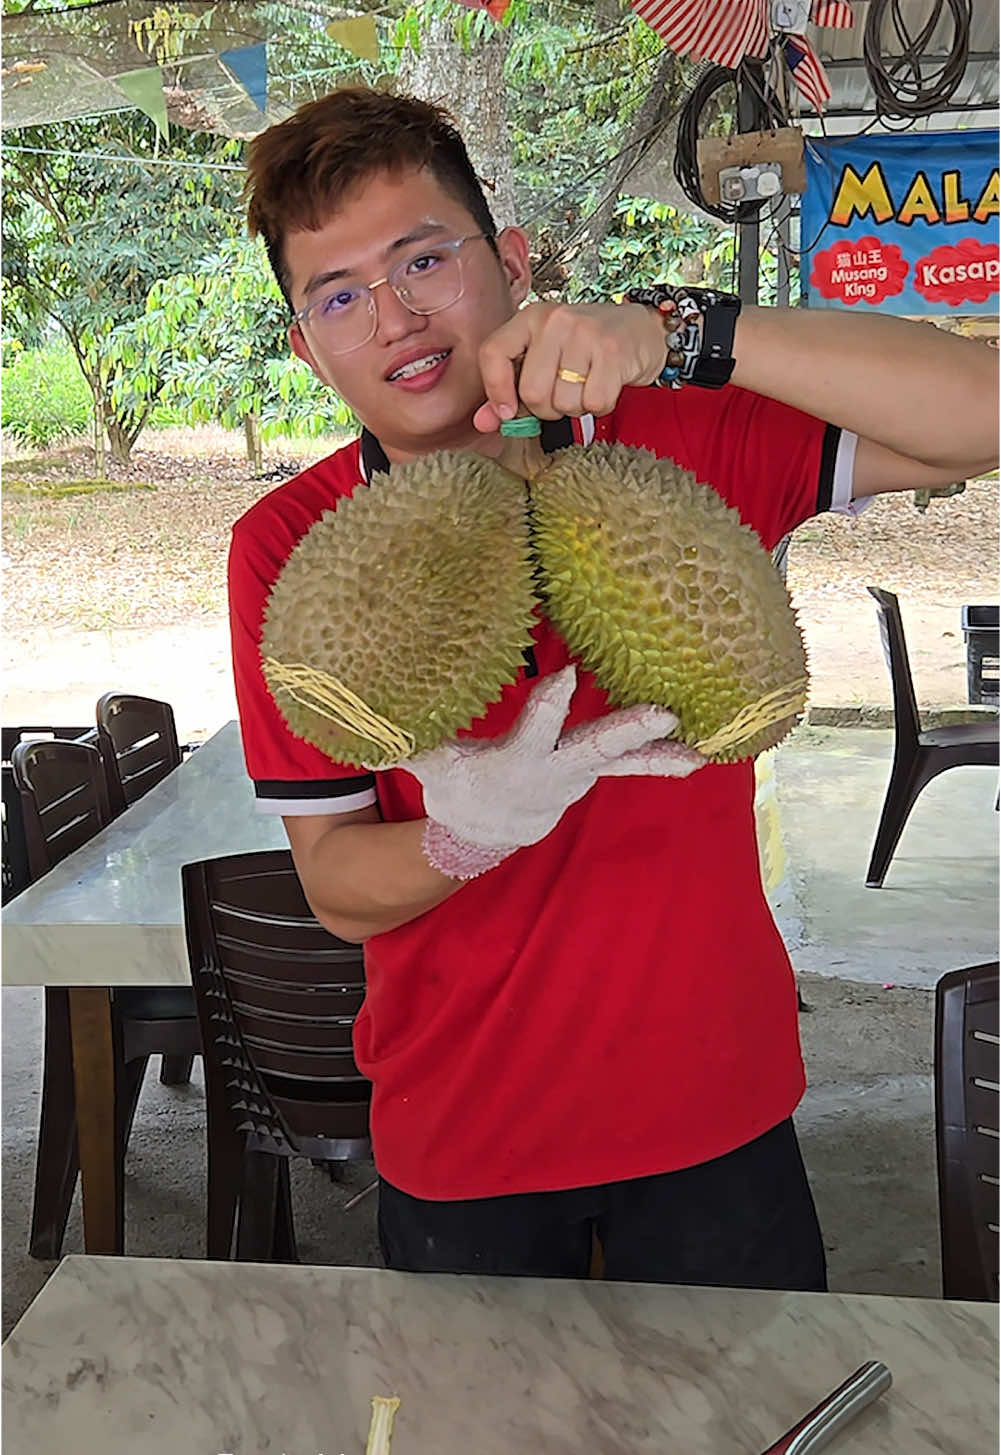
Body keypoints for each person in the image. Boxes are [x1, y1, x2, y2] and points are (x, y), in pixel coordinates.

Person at [229, 86, 997, 1288]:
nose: (394, 317)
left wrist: (690, 331)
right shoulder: (290, 547)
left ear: (514, 261)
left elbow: (982, 415)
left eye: (423, 259)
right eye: (339, 295)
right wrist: (458, 842)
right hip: (463, 1134)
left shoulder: (683, 433)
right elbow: (334, 885)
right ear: (305, 344)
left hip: (716, 1110)